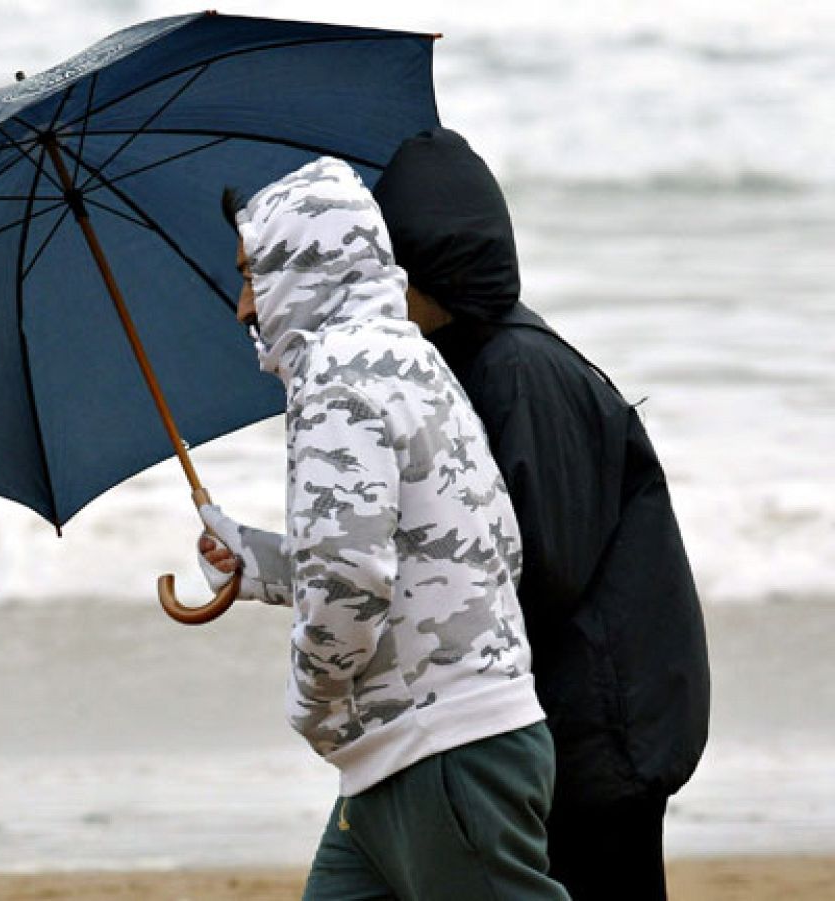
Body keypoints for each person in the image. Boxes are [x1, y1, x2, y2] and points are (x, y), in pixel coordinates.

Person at [197, 155, 567, 900]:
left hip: (443, 750)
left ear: (302, 265)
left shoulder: (336, 377)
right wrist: (259, 562)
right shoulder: (411, 360)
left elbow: (351, 582)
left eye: (253, 273)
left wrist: (311, 701)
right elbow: (465, 541)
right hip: (413, 751)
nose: (242, 306)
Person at [363, 128, 711, 899]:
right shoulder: (476, 359)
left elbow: (538, 564)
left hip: (603, 728)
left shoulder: (520, 370)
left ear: (427, 270)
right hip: (567, 716)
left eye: (389, 267)